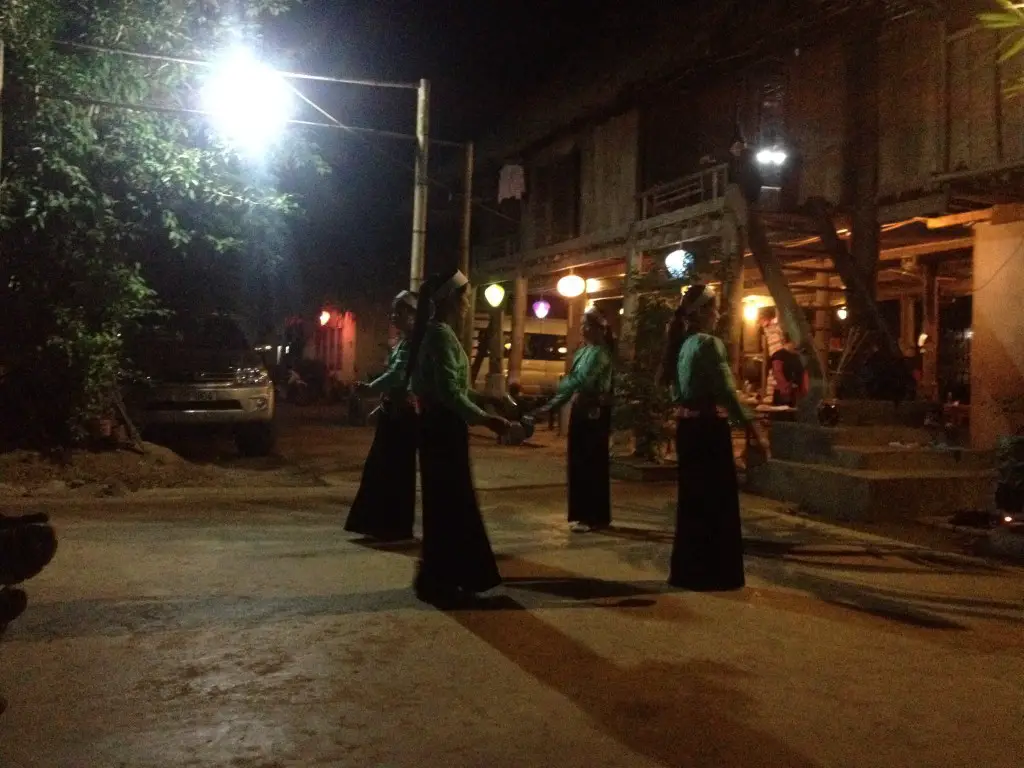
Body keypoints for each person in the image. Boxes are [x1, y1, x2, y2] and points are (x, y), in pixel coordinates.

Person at [405, 268, 513, 606]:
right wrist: (486, 420)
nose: (468, 302)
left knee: (447, 504)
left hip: (439, 428)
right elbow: (450, 395)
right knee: (452, 504)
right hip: (443, 429)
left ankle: (443, 578)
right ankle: (445, 580)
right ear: (451, 300)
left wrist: (488, 399)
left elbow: (456, 388)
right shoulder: (439, 336)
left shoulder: (440, 334)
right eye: (465, 295)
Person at [661, 284, 766, 591]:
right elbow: (726, 392)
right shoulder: (709, 344)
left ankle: (689, 572)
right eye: (715, 307)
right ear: (703, 312)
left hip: (687, 428)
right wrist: (753, 428)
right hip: (708, 429)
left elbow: (677, 392)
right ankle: (715, 574)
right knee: (716, 502)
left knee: (693, 502)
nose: (718, 313)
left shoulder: (681, 345)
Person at [344, 290, 420, 542]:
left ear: (412, 315)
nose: (393, 316)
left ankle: (392, 527)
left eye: (399, 311)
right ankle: (385, 525)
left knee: (391, 470)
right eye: (393, 311)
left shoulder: (412, 344)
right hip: (395, 414)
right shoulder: (403, 343)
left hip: (402, 417)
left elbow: (397, 376)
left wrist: (370, 388)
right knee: (384, 470)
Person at [534, 308, 615, 532]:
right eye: (582, 324)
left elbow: (582, 380)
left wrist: (559, 391)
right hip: (580, 409)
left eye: (587, 324)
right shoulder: (582, 352)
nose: (582, 329)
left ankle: (592, 516)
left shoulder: (601, 353)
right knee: (578, 461)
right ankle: (582, 514)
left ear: (599, 329)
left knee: (591, 462)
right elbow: (572, 383)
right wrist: (549, 406)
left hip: (594, 411)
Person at [770, 332, 806, 407]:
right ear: (790, 342)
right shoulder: (779, 355)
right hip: (782, 395)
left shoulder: (797, 356)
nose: (797, 345)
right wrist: (787, 387)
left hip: (796, 395)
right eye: (795, 342)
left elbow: (801, 375)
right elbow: (778, 373)